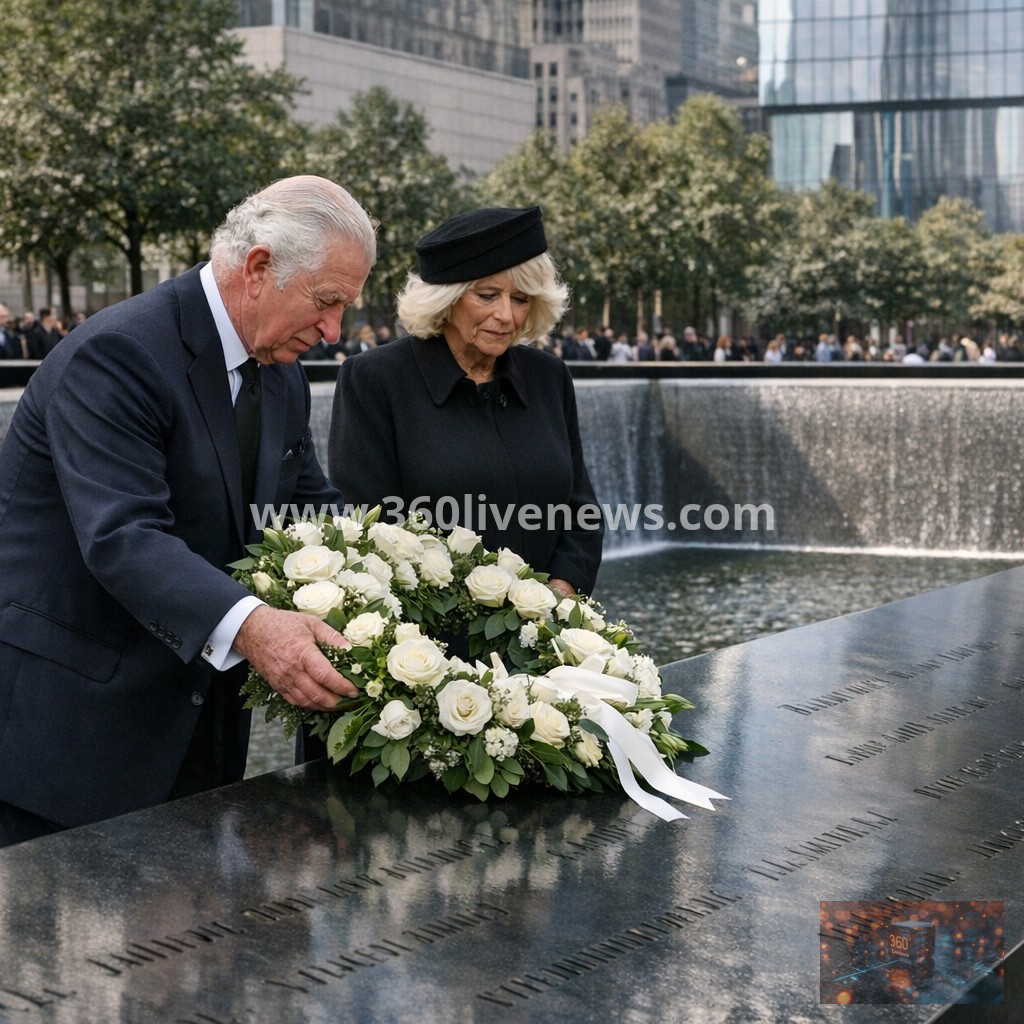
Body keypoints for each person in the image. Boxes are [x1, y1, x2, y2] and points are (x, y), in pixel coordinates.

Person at [0, 175, 375, 847]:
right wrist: (258, 628)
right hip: (71, 747)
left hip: (200, 739)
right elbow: (124, 536)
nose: (333, 329)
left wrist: (410, 582)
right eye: (327, 302)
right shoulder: (118, 354)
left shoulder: (281, 370)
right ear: (258, 269)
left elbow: (312, 514)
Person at [329, 204, 603, 598]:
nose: (506, 315)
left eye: (522, 298)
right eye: (488, 295)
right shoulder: (375, 379)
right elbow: (371, 530)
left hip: (550, 631)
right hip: (430, 646)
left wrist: (556, 600)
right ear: (448, 298)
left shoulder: (549, 376)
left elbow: (582, 511)